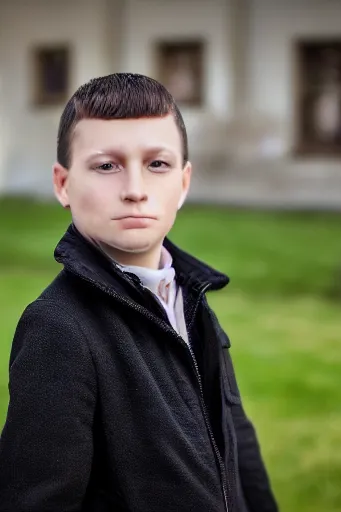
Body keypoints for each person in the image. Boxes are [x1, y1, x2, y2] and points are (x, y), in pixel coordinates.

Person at [0, 73, 278, 512]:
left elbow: (237, 446)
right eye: (106, 165)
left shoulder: (191, 298)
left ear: (184, 183)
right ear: (62, 184)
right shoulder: (58, 328)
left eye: (157, 164)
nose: (135, 190)